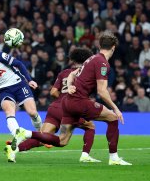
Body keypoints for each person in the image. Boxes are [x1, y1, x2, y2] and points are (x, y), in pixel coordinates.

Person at [11, 32, 132, 165]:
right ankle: (113, 158)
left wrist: (69, 86)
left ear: (99, 45)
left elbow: (72, 74)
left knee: (62, 140)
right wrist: (116, 109)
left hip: (68, 103)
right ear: (113, 47)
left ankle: (27, 133)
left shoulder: (90, 59)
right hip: (80, 102)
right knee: (113, 118)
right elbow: (102, 91)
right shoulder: (102, 63)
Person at [5, 48, 100, 163]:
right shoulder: (87, 74)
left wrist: (62, 98)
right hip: (70, 109)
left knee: (42, 137)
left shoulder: (64, 73)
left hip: (54, 108)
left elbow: (53, 92)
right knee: (89, 127)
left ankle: (14, 149)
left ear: (73, 60)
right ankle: (85, 156)